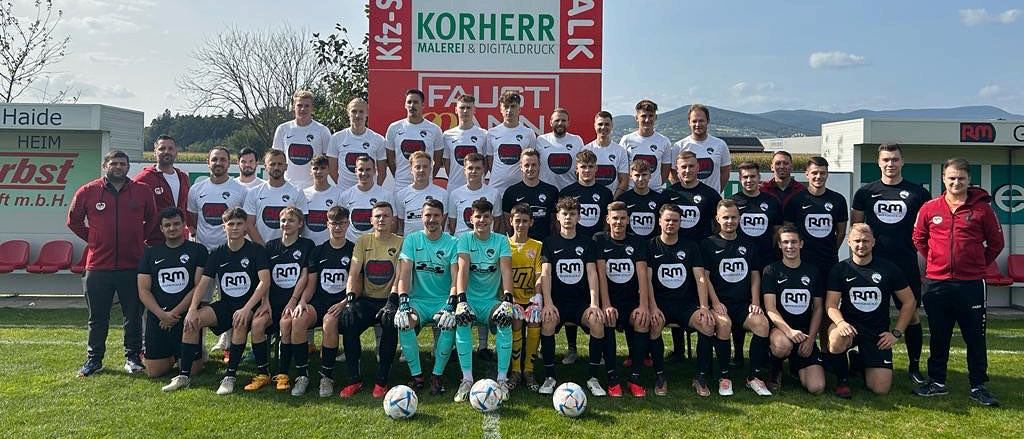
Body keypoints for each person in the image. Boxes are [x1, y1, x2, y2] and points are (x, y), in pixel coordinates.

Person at [911, 157, 1004, 406]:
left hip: (971, 284)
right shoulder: (930, 208)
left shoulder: (983, 209)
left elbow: (996, 244)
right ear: (943, 178)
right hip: (936, 283)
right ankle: (937, 381)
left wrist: (976, 264)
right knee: (939, 336)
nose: (956, 182)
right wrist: (936, 261)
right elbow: (919, 238)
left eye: (961, 178)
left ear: (969, 180)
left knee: (975, 337)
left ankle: (978, 386)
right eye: (951, 178)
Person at [161, 208, 271, 394]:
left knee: (239, 322)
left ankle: (230, 376)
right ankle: (184, 376)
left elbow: (264, 281)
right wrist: (192, 309)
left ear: (245, 227)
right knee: (192, 322)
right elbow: (203, 284)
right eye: (231, 224)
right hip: (227, 304)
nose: (235, 228)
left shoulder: (256, 250)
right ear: (224, 227)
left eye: (239, 224)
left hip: (250, 305)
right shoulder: (217, 253)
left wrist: (246, 309)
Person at [68, 150, 157, 377]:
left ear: (128, 167)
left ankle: (133, 357)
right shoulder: (88, 191)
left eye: (123, 163)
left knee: (134, 316)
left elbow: (152, 220)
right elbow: (74, 221)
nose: (119, 167)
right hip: (98, 266)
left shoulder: (142, 191)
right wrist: (95, 240)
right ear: (104, 165)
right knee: (97, 317)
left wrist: (138, 239)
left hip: (132, 265)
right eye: (114, 163)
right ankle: (94, 360)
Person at [851, 143, 931, 385]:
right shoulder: (865, 193)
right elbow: (858, 228)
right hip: (872, 265)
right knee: (869, 313)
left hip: (905, 263)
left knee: (912, 315)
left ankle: (914, 367)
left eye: (895, 159)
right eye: (886, 159)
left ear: (902, 162)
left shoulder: (918, 193)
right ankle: (863, 358)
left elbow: (926, 231)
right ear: (878, 162)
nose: (890, 164)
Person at [825, 224, 916, 398]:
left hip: (877, 332)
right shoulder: (840, 269)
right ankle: (842, 382)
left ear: (873, 242)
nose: (861, 245)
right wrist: (840, 322)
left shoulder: (888, 268)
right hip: (850, 328)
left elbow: (909, 301)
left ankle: (859, 362)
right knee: (836, 337)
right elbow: (831, 304)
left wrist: (896, 333)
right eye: (857, 241)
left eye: (866, 241)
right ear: (848, 242)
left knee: (880, 389)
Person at [645, 204, 721, 397]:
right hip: (660, 303)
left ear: (681, 223)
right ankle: (660, 376)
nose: (671, 224)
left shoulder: (690, 246)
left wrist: (704, 307)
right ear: (659, 221)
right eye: (667, 220)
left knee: (707, 324)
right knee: (654, 325)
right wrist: (652, 307)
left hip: (686, 304)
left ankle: (700, 377)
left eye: (675, 221)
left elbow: (701, 278)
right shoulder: (650, 246)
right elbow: (646, 281)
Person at [537, 196, 609, 397]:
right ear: (558, 217)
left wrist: (594, 304)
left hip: (580, 303)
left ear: (579, 217)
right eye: (564, 214)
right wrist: (548, 303)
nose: (568, 218)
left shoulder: (587, 243)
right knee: (548, 321)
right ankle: (549, 377)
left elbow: (592, 273)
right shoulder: (549, 243)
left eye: (572, 214)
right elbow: (546, 274)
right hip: (558, 302)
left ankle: (593, 378)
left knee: (596, 321)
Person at [701, 200, 772, 396]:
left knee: (762, 324)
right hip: (720, 304)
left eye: (733, 217)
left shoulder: (748, 245)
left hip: (743, 304)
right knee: (723, 325)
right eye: (725, 217)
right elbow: (704, 277)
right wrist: (714, 303)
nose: (730, 221)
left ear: (739, 219)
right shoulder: (708, 244)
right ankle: (725, 377)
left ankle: (754, 377)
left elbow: (755, 275)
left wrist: (755, 302)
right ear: (717, 219)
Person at [452, 199, 518, 402]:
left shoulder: (500, 241)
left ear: (492, 219)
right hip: (470, 299)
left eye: (486, 216)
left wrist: (508, 299)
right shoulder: (464, 239)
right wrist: (461, 300)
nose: (481, 220)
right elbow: (463, 270)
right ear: (471, 219)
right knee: (462, 320)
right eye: (478, 216)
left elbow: (506, 271)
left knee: (505, 319)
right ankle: (467, 379)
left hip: (491, 301)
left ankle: (501, 379)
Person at [242, 207, 314, 391]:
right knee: (257, 324)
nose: (286, 224)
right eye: (283, 220)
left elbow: (304, 277)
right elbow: (264, 278)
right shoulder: (270, 246)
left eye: (290, 220)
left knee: (286, 322)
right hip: (271, 302)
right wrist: (264, 302)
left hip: (292, 301)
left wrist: (294, 300)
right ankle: (262, 373)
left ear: (300, 224)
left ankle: (282, 374)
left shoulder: (306, 245)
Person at [339, 201, 404, 398]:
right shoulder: (363, 241)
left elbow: (400, 275)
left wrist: (393, 300)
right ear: (371, 220)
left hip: (390, 299)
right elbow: (354, 272)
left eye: (386, 215)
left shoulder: (401, 242)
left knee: (389, 322)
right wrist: (350, 299)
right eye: (378, 216)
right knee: (348, 322)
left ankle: (382, 381)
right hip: (367, 300)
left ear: (393, 220)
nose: (382, 219)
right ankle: (354, 380)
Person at [394, 199, 459, 395]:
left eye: (436, 215)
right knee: (404, 322)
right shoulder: (412, 240)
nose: (431, 219)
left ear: (443, 218)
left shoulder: (453, 242)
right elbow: (404, 274)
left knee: (448, 323)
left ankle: (437, 376)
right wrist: (403, 300)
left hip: (442, 301)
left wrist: (451, 303)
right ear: (422, 217)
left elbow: (456, 278)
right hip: (418, 301)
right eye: (428, 215)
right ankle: (417, 376)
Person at [288, 206, 354, 397]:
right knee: (298, 319)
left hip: (342, 303)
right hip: (319, 302)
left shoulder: (353, 250)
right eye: (334, 223)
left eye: (341, 223)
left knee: (329, 321)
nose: (338, 227)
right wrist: (302, 302)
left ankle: (326, 377)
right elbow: (311, 283)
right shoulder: (318, 252)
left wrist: (343, 303)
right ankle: (302, 376)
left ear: (347, 224)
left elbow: (355, 284)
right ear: (327, 224)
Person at [189, 147, 250, 353]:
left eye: (222, 159)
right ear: (208, 162)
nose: (218, 163)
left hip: (231, 254)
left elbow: (245, 222)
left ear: (229, 163)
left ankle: (230, 346)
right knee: (202, 300)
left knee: (230, 299)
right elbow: (193, 221)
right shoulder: (196, 189)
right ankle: (199, 349)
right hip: (205, 255)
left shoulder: (240, 190)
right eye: (214, 159)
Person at [136, 208, 208, 378]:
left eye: (176, 224)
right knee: (154, 373)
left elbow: (198, 286)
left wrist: (174, 313)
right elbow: (143, 289)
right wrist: (161, 314)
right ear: (161, 228)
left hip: (185, 317)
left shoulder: (198, 250)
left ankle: (185, 354)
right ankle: (172, 355)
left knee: (192, 371)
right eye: (167, 225)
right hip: (159, 319)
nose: (172, 228)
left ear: (184, 225)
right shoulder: (150, 253)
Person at [594, 201, 653, 398]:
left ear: (628, 220)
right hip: (610, 301)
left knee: (642, 321)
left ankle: (635, 379)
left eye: (622, 218)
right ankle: (612, 379)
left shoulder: (637, 242)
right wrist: (606, 305)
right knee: (608, 319)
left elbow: (643, 275)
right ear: (607, 220)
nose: (618, 222)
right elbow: (601, 276)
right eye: (615, 218)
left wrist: (644, 306)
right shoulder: (600, 239)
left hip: (632, 303)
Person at [761, 226, 826, 394]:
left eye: (794, 242)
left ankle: (796, 365)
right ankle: (775, 369)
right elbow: (770, 308)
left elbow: (818, 308)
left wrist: (811, 339)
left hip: (804, 334)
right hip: (781, 331)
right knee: (783, 345)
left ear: (801, 244)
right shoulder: (771, 270)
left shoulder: (813, 271)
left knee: (817, 388)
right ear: (780, 245)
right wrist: (789, 331)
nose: (790, 246)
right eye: (785, 242)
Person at [783, 156, 848, 290]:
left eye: (822, 173)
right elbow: (788, 231)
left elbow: (841, 232)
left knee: (825, 301)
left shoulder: (838, 200)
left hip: (828, 261)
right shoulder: (796, 200)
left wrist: (831, 249)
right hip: (802, 260)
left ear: (827, 174)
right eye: (814, 173)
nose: (818, 176)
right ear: (807, 174)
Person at [504, 204, 544, 391]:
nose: (521, 225)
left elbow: (538, 274)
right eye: (517, 220)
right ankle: (515, 371)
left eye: (525, 221)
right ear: (511, 221)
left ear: (532, 223)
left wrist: (537, 298)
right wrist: (509, 299)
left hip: (531, 299)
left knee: (534, 324)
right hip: (512, 299)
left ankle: (529, 370)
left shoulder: (537, 246)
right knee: (516, 323)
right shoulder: (504, 244)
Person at [244, 150, 308, 245]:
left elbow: (301, 224)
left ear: (286, 167)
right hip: (262, 249)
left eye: (280, 164)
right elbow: (249, 225)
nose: (276, 167)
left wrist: (288, 246)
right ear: (265, 167)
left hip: (288, 249)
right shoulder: (254, 192)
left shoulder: (297, 192)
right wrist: (262, 247)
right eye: (272, 164)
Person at [135, 135, 190, 245]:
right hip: (155, 242)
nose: (166, 151)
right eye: (162, 148)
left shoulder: (183, 177)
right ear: (154, 151)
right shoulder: (144, 178)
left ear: (176, 152)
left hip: (180, 241)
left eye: (170, 148)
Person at [272, 90, 332, 190]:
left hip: (314, 188)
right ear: (293, 107)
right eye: (299, 105)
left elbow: (329, 161)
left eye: (307, 106)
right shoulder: (283, 129)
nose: (303, 109)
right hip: (288, 187)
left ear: (312, 108)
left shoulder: (322, 130)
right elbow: (276, 160)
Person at [386, 88, 445, 189]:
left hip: (425, 186)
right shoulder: (394, 128)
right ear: (405, 105)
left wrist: (428, 177)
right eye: (409, 102)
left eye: (416, 102)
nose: (412, 105)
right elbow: (390, 159)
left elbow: (438, 161)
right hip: (401, 185)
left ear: (423, 105)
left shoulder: (434, 130)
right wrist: (399, 177)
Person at [729, 161, 783, 271]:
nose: (749, 180)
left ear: (759, 177)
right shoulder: (732, 201)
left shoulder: (772, 201)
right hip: (740, 257)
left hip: (765, 258)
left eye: (752, 176)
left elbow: (776, 231)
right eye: (745, 177)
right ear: (740, 179)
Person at [327, 97, 388, 187]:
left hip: (369, 195)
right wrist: (344, 188)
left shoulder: (378, 139)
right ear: (348, 113)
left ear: (367, 113)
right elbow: (332, 170)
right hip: (344, 193)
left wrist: (374, 190)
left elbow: (382, 172)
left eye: (361, 112)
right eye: (354, 111)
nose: (357, 115)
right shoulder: (336, 138)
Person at [486, 90, 537, 197]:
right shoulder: (491, 133)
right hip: (496, 189)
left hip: (520, 189)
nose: (509, 110)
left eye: (513, 106)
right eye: (506, 107)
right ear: (501, 109)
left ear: (519, 109)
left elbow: (532, 161)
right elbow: (490, 162)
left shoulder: (528, 133)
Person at [501, 148, 559, 241]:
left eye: (534, 165)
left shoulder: (551, 191)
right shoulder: (511, 192)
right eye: (527, 165)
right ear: (521, 166)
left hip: (544, 245)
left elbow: (554, 223)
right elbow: (508, 224)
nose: (530, 169)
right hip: (520, 246)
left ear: (539, 165)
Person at [665, 151, 722, 243]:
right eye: (683, 167)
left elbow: (719, 224)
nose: (687, 171)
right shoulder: (668, 194)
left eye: (691, 166)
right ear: (677, 169)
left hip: (701, 250)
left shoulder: (710, 194)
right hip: (674, 249)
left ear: (698, 168)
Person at [336, 156, 394, 243]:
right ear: (355, 171)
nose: (364, 173)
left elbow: (393, 225)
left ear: (374, 171)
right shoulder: (345, 196)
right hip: (351, 245)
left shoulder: (386, 195)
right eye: (361, 169)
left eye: (368, 169)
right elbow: (340, 224)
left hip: (376, 246)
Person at [674, 104, 730, 193]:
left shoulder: (720, 145)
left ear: (708, 121)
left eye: (701, 121)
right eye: (694, 121)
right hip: (686, 199)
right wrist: (682, 193)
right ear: (689, 122)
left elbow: (725, 172)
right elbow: (673, 172)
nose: (697, 124)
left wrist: (714, 193)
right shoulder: (679, 146)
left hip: (711, 200)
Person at [559, 149, 615, 240]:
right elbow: (559, 221)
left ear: (596, 168)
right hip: (573, 241)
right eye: (583, 167)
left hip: (597, 243)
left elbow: (607, 222)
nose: (587, 170)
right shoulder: (566, 192)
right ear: (577, 169)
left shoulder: (606, 193)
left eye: (590, 166)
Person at [620, 100, 672, 191]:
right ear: (636, 117)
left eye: (651, 116)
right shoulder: (626, 140)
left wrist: (653, 186)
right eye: (643, 116)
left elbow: (665, 171)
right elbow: (621, 169)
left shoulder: (664, 141)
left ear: (655, 117)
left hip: (655, 192)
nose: (647, 120)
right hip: (631, 192)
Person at [447, 152, 502, 235]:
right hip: (462, 242)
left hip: (485, 243)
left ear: (483, 170)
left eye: (478, 168)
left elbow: (497, 222)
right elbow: (452, 223)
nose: (474, 171)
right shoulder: (455, 194)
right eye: (470, 168)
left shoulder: (494, 193)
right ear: (464, 170)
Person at [442, 94, 487, 191]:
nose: (465, 111)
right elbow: (447, 161)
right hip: (454, 187)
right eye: (462, 108)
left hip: (477, 187)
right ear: (456, 110)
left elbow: (486, 161)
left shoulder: (483, 134)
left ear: (474, 110)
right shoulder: (447, 135)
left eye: (469, 108)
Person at [395, 151, 447, 236]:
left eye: (425, 167)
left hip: (434, 244)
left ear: (430, 169)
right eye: (418, 167)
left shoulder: (442, 194)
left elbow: (442, 224)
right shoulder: (401, 195)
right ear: (411, 170)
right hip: (411, 245)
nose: (421, 170)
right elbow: (401, 224)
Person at [536, 108, 584, 190]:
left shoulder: (577, 140)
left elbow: (582, 166)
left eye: (563, 120)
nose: (560, 123)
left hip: (570, 191)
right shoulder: (541, 140)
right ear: (551, 122)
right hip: (545, 191)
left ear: (568, 123)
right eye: (557, 120)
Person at [583, 111, 629, 197]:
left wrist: (613, 200)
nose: (603, 127)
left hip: (612, 200)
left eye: (607, 124)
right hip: (590, 197)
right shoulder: (586, 150)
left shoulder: (620, 151)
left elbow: (624, 180)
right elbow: (581, 178)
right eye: (600, 124)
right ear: (594, 126)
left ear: (612, 126)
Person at [618, 160, 667, 239]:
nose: (641, 179)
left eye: (644, 175)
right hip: (631, 245)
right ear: (631, 176)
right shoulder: (623, 199)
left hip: (652, 245)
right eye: (637, 175)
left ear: (650, 175)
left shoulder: (660, 199)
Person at [303, 154, 343, 245]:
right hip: (308, 246)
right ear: (310, 171)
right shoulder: (303, 194)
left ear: (328, 170)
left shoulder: (339, 194)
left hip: (330, 246)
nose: (319, 171)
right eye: (315, 168)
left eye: (323, 168)